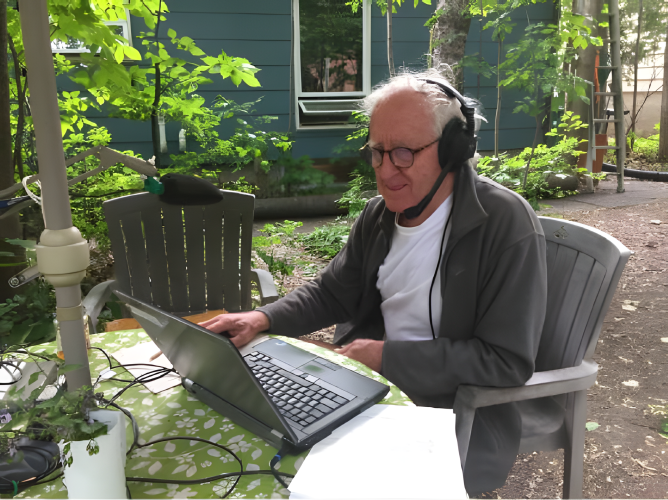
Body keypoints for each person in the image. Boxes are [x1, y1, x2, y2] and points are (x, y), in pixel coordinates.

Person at [200, 69, 548, 494]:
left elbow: (505, 362)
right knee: (251, 439)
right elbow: (330, 292)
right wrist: (261, 318)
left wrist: (386, 357)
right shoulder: (378, 215)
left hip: (453, 414)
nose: (385, 170)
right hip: (366, 386)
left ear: (453, 150)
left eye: (403, 153)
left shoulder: (505, 224)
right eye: (378, 152)